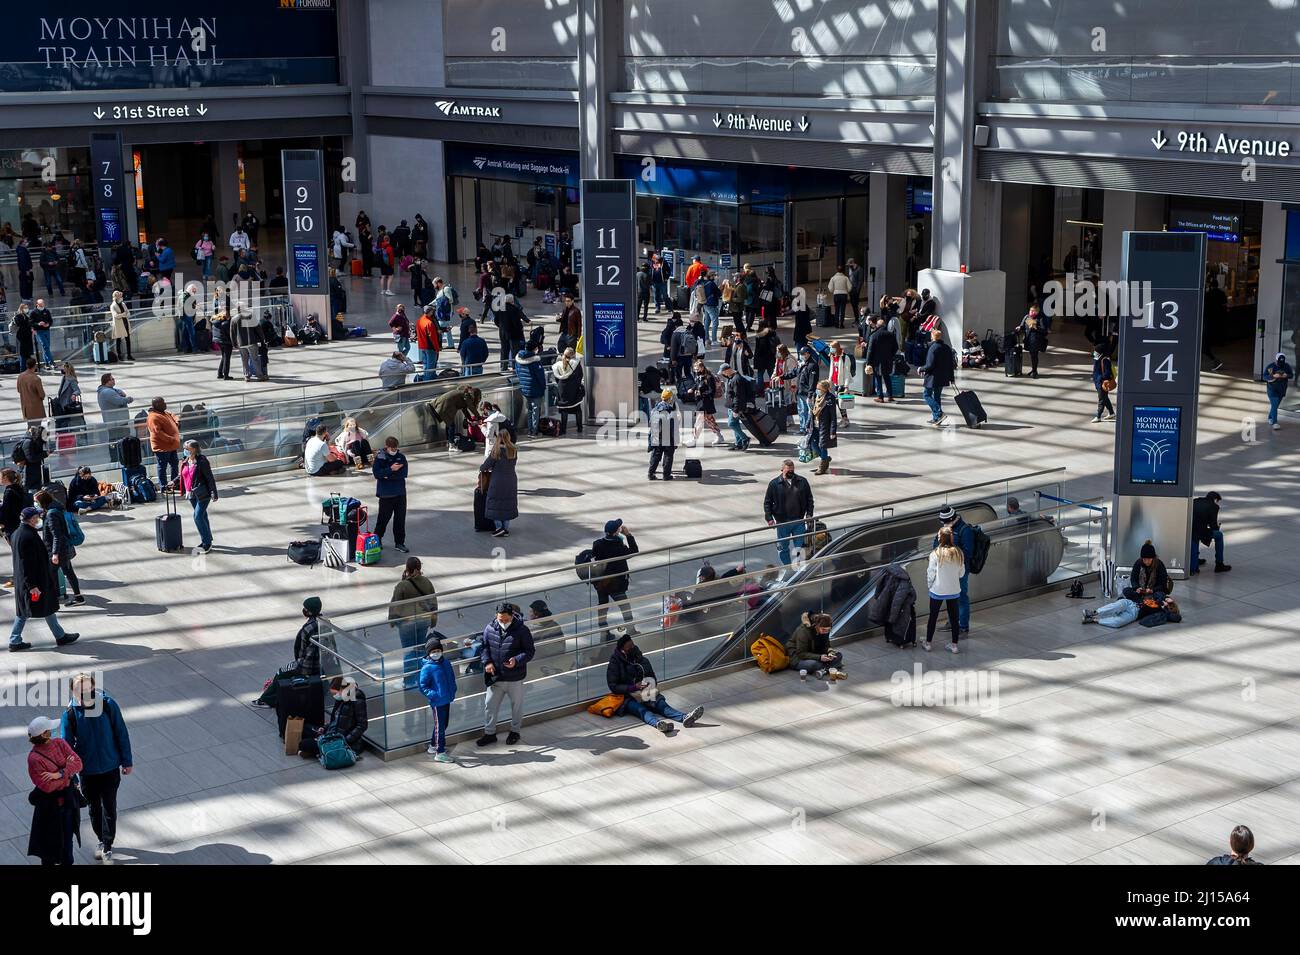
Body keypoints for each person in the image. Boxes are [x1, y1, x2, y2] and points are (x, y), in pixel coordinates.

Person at [60, 673, 132, 864]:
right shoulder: (70, 714)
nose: (86, 694)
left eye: (88, 689)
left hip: (109, 768)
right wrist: (71, 775)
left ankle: (107, 845)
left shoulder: (108, 705)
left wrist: (127, 761)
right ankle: (101, 838)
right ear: (74, 693)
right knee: (93, 808)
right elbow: (66, 747)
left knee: (109, 806)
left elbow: (121, 732)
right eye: (80, 691)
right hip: (88, 771)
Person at [9, 507, 79, 650]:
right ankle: (15, 640)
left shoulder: (18, 533)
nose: (38, 519)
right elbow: (25, 564)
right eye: (36, 517)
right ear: (31, 519)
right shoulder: (27, 537)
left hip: (28, 581)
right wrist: (32, 586)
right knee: (27, 610)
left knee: (41, 608)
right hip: (34, 582)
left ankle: (59, 636)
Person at [605, 634, 704, 733]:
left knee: (661, 705)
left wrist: (649, 685)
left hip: (645, 692)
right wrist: (634, 687)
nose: (632, 648)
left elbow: (652, 676)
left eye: (633, 645)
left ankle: (684, 718)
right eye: (629, 647)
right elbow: (613, 686)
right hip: (627, 697)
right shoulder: (615, 663)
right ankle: (658, 724)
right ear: (622, 650)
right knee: (641, 710)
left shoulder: (642, 660)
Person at [476, 602, 536, 747]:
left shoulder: (522, 630)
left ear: (512, 616)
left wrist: (516, 660)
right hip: (496, 677)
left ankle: (515, 731)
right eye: (500, 620)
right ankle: (489, 733)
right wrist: (487, 662)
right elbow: (484, 647)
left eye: (505, 620)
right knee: (489, 705)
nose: (502, 622)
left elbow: (530, 651)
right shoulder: (490, 628)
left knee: (517, 706)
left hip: (515, 677)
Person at [25, 715, 82, 865]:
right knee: (48, 849)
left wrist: (59, 774)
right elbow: (46, 787)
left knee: (67, 848)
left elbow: (78, 763)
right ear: (44, 734)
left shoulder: (59, 743)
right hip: (49, 809)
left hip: (67, 804)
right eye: (49, 729)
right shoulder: (34, 758)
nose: (52, 730)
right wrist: (67, 774)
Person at [391, 557, 438, 689]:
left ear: (407, 568)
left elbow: (395, 604)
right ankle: (421, 678)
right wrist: (433, 619)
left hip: (407, 624)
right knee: (419, 649)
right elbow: (433, 601)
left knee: (409, 651)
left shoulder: (403, 585)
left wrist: (393, 621)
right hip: (424, 620)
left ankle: (409, 681)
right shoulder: (427, 582)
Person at [298, 676, 369, 760]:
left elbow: (362, 725)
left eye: (335, 693)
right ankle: (318, 750)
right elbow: (336, 721)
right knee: (304, 727)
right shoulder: (341, 699)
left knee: (303, 744)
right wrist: (324, 728)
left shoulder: (357, 700)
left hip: (341, 741)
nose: (335, 696)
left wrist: (345, 741)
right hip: (330, 734)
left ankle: (318, 750)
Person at [591, 519, 638, 639]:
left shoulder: (597, 544)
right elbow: (634, 550)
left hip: (601, 581)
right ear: (617, 531)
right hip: (616, 583)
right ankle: (631, 629)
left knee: (603, 606)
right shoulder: (619, 547)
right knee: (624, 606)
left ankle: (604, 632)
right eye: (619, 528)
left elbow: (595, 556)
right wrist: (628, 535)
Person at [35, 489, 83, 605]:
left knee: (50, 573)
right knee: (68, 572)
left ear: (42, 502)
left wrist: (55, 553)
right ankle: (77, 597)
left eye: (36, 502)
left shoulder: (51, 514)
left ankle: (55, 596)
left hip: (57, 551)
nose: (35, 504)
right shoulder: (55, 510)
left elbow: (57, 535)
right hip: (64, 549)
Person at [934, 505, 975, 636]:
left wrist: (949, 553)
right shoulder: (945, 529)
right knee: (951, 597)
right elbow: (936, 544)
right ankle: (953, 622)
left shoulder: (964, 530)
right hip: (947, 570)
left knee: (961, 596)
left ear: (951, 519)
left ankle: (963, 626)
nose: (943, 524)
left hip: (960, 570)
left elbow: (968, 552)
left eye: (944, 522)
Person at [764, 460, 815, 567]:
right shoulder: (774, 484)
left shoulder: (802, 481)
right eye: (788, 471)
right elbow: (767, 502)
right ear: (782, 470)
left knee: (800, 547)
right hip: (782, 523)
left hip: (799, 521)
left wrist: (809, 514)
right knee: (783, 548)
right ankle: (787, 567)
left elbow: (809, 499)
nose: (791, 473)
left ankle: (799, 567)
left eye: (792, 470)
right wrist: (769, 518)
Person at [923, 525, 965, 653]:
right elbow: (961, 573)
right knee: (954, 618)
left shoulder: (935, 553)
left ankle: (928, 643)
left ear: (940, 537)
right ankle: (954, 645)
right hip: (954, 590)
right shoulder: (958, 553)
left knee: (933, 617)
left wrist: (930, 585)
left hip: (938, 590)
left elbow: (930, 573)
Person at [173, 440, 217, 553]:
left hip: (202, 493)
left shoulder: (202, 461)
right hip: (191, 494)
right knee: (203, 516)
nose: (185, 450)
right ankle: (207, 538)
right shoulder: (185, 461)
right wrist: (173, 482)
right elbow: (181, 475)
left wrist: (214, 492)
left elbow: (209, 477)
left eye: (187, 448)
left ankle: (207, 543)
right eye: (184, 448)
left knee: (197, 516)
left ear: (194, 449)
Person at [418, 637, 457, 762]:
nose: (436, 653)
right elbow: (423, 686)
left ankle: (433, 745)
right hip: (438, 701)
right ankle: (440, 752)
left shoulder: (446, 663)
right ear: (429, 653)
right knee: (440, 727)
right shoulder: (427, 667)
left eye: (438, 650)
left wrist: (453, 689)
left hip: (447, 698)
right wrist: (434, 695)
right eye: (433, 651)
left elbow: (451, 677)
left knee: (443, 724)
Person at [372, 436, 409, 553]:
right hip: (386, 495)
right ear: (387, 447)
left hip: (400, 494)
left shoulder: (401, 457)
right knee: (383, 519)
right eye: (392, 448)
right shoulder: (380, 458)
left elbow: (403, 473)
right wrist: (391, 469)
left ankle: (399, 542)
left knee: (400, 519)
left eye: (395, 448)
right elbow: (377, 474)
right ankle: (377, 539)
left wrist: (387, 476)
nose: (394, 450)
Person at [479, 432, 519, 537]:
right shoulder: (513, 450)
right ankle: (505, 528)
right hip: (511, 480)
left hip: (498, 481)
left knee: (494, 503)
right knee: (508, 503)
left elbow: (484, 467)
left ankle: (499, 527)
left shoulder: (496, 451)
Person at [787, 611, 846, 681]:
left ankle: (823, 670)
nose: (826, 632)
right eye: (824, 629)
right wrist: (819, 657)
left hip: (815, 653)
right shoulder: (803, 632)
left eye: (828, 630)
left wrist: (830, 653)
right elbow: (801, 653)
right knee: (814, 664)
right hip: (797, 657)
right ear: (816, 626)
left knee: (838, 655)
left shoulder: (825, 629)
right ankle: (831, 667)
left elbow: (827, 645)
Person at [919, 327, 955, 427]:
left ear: (932, 337)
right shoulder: (947, 347)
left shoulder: (933, 348)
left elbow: (930, 365)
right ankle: (936, 418)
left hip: (933, 377)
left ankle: (939, 413)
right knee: (937, 396)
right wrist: (951, 378)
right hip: (943, 377)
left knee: (926, 395)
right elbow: (950, 364)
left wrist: (921, 369)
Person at [146, 397, 181, 490]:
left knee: (174, 464)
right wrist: (171, 439)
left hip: (171, 446)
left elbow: (172, 415)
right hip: (162, 447)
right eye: (163, 403)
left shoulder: (163, 412)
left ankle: (174, 483)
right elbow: (158, 433)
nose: (165, 404)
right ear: (157, 405)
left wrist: (177, 421)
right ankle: (163, 486)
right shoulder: (153, 417)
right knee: (162, 467)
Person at [1191, 491, 1230, 574]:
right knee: (1219, 535)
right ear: (1215, 499)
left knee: (1195, 536)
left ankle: (1194, 564)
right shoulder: (1214, 506)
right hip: (1201, 531)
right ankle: (1219, 564)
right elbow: (1213, 526)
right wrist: (1217, 526)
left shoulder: (1195, 501)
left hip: (1189, 529)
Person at [647, 389, 680, 481]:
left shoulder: (655, 408)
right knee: (668, 455)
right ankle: (666, 475)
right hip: (667, 435)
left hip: (656, 435)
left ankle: (650, 473)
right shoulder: (670, 410)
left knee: (656, 455)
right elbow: (674, 425)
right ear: (669, 398)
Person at [515, 340, 546, 437]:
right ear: (534, 349)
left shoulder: (518, 359)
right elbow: (540, 377)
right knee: (536, 411)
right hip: (536, 389)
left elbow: (517, 372)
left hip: (525, 389)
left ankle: (529, 430)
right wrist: (543, 387)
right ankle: (534, 431)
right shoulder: (535, 362)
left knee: (529, 410)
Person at [690, 360, 724, 446]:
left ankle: (694, 439)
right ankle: (719, 436)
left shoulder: (709, 378)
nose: (695, 371)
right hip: (700, 403)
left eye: (697, 369)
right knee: (710, 421)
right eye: (694, 369)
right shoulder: (699, 376)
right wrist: (693, 389)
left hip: (706, 403)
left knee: (699, 422)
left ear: (701, 368)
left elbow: (712, 392)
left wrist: (701, 393)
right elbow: (697, 384)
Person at [719, 364, 753, 450]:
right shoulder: (732, 377)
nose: (723, 375)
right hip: (731, 406)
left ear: (727, 370)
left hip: (735, 407)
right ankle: (739, 443)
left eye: (723, 372)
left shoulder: (737, 379)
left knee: (731, 424)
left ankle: (745, 438)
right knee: (736, 424)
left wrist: (736, 410)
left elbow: (738, 396)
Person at [808, 379, 838, 475]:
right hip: (814, 425)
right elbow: (811, 413)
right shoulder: (815, 396)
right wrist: (808, 424)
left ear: (824, 389)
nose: (817, 390)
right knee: (813, 444)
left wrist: (832, 431)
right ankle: (825, 459)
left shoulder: (830, 398)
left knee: (823, 446)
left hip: (824, 426)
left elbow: (833, 416)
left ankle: (822, 467)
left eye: (819, 389)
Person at [552, 348, 585, 435]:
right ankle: (579, 428)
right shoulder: (576, 364)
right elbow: (580, 375)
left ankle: (563, 430)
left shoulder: (557, 365)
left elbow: (556, 379)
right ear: (573, 355)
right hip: (573, 390)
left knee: (564, 410)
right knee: (577, 409)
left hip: (562, 390)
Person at [867, 316, 899, 402]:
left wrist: (868, 362)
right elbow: (896, 347)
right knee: (887, 377)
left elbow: (870, 350)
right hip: (888, 360)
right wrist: (890, 355)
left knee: (878, 377)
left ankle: (880, 396)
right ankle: (890, 396)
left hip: (877, 361)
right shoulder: (891, 334)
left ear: (877, 326)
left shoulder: (874, 335)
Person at [1264, 351, 1292, 431]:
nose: (1281, 363)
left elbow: (1291, 375)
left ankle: (1270, 417)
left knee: (1275, 406)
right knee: (1275, 404)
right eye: (1279, 362)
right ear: (1276, 360)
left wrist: (1286, 375)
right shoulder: (1270, 366)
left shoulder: (1286, 366)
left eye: (1282, 362)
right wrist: (1273, 376)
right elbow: (1265, 376)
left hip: (1282, 389)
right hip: (1272, 389)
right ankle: (1275, 423)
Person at [16, 358, 46, 426]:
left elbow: (18, 390)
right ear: (35, 366)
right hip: (36, 408)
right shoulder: (36, 379)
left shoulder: (20, 376)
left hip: (25, 407)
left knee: (30, 427)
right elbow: (42, 395)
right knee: (37, 428)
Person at [1091, 344, 1116, 423]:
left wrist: (1100, 378)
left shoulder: (1105, 360)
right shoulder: (1097, 359)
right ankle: (1111, 413)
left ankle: (1098, 416)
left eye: (1096, 352)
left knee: (1101, 399)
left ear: (1101, 352)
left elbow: (1107, 373)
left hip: (1103, 383)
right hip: (1098, 383)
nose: (1095, 353)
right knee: (1105, 398)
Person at [108, 290, 133, 361]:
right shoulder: (113, 305)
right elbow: (115, 315)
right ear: (115, 297)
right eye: (119, 295)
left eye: (120, 295)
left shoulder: (123, 304)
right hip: (119, 324)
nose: (120, 296)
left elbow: (128, 312)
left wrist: (125, 314)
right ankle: (119, 355)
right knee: (118, 340)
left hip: (125, 323)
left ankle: (129, 355)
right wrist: (123, 314)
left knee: (127, 339)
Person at [212, 311, 233, 380]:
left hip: (218, 341)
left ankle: (220, 373)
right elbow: (230, 334)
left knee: (224, 357)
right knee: (227, 358)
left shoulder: (215, 322)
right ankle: (226, 375)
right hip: (226, 342)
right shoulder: (226, 323)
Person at [846, 259, 864, 324]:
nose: (848, 266)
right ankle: (856, 319)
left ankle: (858, 319)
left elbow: (860, 281)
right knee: (853, 305)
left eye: (849, 265)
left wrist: (857, 290)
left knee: (855, 305)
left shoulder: (859, 269)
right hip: (851, 289)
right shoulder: (850, 269)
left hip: (855, 290)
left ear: (853, 263)